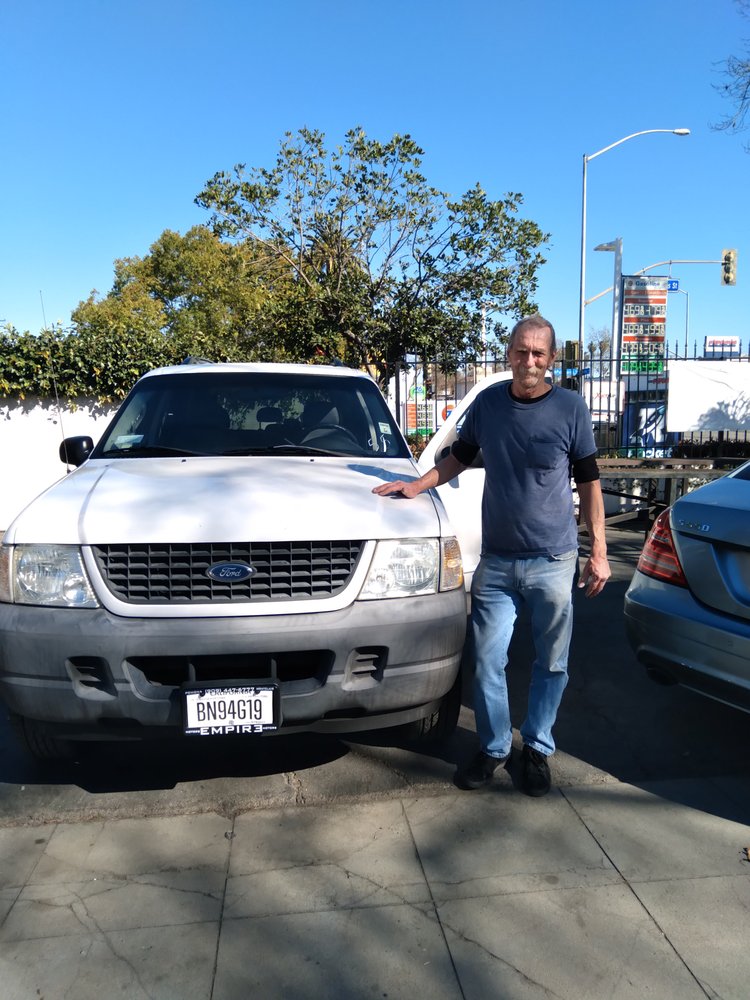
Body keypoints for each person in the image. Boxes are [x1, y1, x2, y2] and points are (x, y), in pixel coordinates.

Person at [372, 314, 611, 796]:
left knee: (552, 663)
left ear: (551, 358)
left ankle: (538, 747)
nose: (529, 361)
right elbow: (459, 456)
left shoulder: (570, 408)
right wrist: (416, 486)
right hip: (497, 561)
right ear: (509, 353)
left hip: (554, 559)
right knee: (485, 662)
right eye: (522, 351)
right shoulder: (488, 404)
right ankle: (495, 746)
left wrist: (599, 551)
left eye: (538, 353)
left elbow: (589, 482)